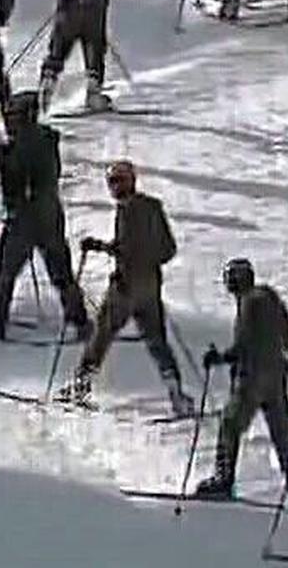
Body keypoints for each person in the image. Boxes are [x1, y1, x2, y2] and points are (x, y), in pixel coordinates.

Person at [59, 160, 194, 415]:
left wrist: (100, 247)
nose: (115, 186)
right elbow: (168, 249)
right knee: (157, 342)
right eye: (112, 181)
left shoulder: (127, 210)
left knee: (100, 336)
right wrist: (147, 261)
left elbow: (126, 249)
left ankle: (80, 387)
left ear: (131, 180)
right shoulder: (153, 207)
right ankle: (176, 392)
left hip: (124, 288)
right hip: (151, 288)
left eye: (119, 180)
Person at [0, 91, 91, 344]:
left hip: (25, 217)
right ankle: (80, 321)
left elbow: (14, 169)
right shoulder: (44, 139)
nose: (9, 121)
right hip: (50, 215)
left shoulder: (25, 142)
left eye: (13, 116)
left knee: (6, 273)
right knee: (61, 272)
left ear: (25, 116)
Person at [195, 258, 288, 506]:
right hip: (276, 378)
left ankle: (224, 480)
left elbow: (244, 345)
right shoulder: (270, 297)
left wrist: (219, 358)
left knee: (230, 425)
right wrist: (283, 356)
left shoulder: (249, 302)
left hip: (251, 379)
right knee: (282, 435)